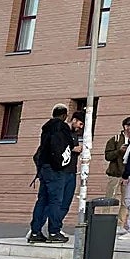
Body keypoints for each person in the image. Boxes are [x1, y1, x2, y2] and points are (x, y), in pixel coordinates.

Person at [28, 104, 74, 244]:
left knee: (42, 200)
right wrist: (60, 164)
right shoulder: (62, 128)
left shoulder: (46, 128)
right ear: (64, 115)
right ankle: (54, 231)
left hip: (44, 169)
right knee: (56, 201)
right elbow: (67, 146)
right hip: (56, 170)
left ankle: (35, 231)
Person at [105, 117, 130, 233]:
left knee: (125, 201)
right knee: (109, 198)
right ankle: (104, 222)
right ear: (126, 127)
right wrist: (119, 151)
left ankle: (120, 224)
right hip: (115, 174)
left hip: (127, 175)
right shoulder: (115, 139)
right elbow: (107, 156)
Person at [59, 112, 85, 224]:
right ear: (74, 120)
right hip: (61, 171)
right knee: (56, 201)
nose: (81, 127)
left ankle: (57, 226)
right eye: (80, 123)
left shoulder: (75, 135)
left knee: (66, 201)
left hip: (72, 171)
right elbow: (59, 147)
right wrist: (73, 148)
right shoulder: (63, 132)